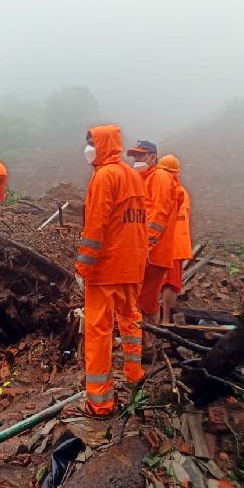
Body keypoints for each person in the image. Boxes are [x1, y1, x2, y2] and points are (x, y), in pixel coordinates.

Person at [73, 125, 147, 418]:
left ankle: (100, 403)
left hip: (106, 270)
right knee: (130, 321)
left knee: (99, 332)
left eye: (92, 143)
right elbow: (138, 222)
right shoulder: (133, 175)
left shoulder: (104, 176)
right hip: (132, 266)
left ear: (102, 145)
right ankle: (134, 376)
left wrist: (83, 266)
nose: (88, 148)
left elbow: (96, 226)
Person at [126, 140, 182, 348]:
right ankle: (146, 345)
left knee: (142, 300)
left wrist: (146, 245)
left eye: (140, 156)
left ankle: (144, 347)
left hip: (152, 252)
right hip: (152, 252)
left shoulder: (160, 178)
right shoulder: (149, 178)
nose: (136, 160)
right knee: (146, 299)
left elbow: (157, 214)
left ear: (152, 157)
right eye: (133, 156)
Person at [158, 155, 192, 325]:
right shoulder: (183, 192)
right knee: (170, 284)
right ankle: (166, 319)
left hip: (168, 244)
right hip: (177, 244)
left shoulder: (169, 190)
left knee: (167, 284)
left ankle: (164, 321)